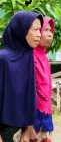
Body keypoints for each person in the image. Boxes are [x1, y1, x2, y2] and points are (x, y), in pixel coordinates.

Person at [0, 11, 43, 142]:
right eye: (35, 30)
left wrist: (29, 126)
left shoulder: (28, 55)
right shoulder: (3, 59)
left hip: (22, 128)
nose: (39, 35)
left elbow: (28, 94)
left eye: (39, 30)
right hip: (5, 128)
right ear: (20, 30)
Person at [33, 18, 55, 142]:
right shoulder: (30, 56)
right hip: (33, 112)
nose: (50, 34)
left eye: (50, 30)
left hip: (46, 109)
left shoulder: (44, 56)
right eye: (45, 30)